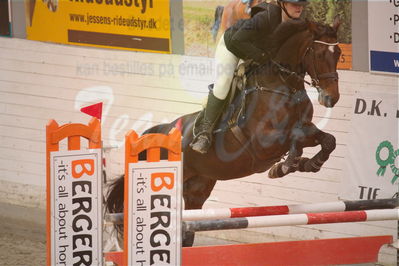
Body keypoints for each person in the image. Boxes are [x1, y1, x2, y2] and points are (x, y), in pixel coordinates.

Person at [190, 0, 308, 154]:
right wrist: (261, 56)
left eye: (301, 4)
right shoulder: (266, 17)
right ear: (282, 3)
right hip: (231, 47)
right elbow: (237, 40)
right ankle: (204, 133)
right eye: (294, 3)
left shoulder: (295, 21)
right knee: (224, 83)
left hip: (255, 52)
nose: (299, 7)